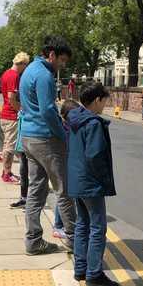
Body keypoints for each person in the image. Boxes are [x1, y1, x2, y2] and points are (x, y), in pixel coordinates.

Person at [19, 36, 76, 255]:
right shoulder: (44, 75)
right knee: (64, 190)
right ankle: (73, 239)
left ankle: (33, 241)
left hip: (29, 137)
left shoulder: (29, 71)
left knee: (36, 190)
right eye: (61, 60)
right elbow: (47, 110)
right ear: (51, 54)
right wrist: (63, 134)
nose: (62, 65)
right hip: (46, 139)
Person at [67, 83, 120, 286]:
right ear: (97, 100)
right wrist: (104, 181)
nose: (106, 105)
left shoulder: (74, 118)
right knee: (98, 228)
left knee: (82, 224)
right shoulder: (94, 123)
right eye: (105, 100)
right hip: (91, 182)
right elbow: (95, 155)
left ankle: (80, 269)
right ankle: (94, 274)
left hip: (76, 179)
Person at [0, 52, 30, 182]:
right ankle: (7, 174)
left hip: (5, 114)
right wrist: (20, 109)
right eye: (26, 65)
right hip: (11, 115)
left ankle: (6, 172)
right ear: (22, 64)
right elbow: (11, 97)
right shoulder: (14, 76)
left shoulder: (6, 73)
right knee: (10, 146)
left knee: (8, 144)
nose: (26, 68)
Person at [53, 98, 80, 240]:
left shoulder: (65, 127)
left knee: (65, 196)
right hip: (65, 165)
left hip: (67, 165)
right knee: (65, 196)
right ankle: (59, 225)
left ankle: (59, 225)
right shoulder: (65, 129)